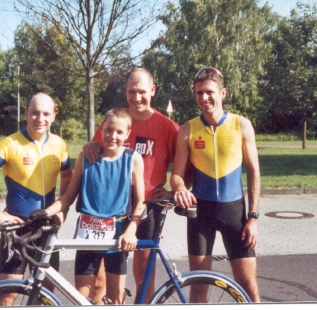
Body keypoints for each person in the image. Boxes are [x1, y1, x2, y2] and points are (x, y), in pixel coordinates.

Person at [83, 68, 180, 303]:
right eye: (132, 92)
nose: (137, 98)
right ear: (125, 91)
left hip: (146, 207)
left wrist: (173, 191)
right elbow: (96, 149)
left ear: (153, 91)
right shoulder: (115, 120)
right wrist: (89, 147)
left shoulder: (167, 127)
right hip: (111, 207)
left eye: (142, 92)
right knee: (101, 282)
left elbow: (185, 168)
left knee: (143, 277)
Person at [0, 92, 73, 306]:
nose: (40, 119)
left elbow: (67, 175)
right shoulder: (10, 144)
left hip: (47, 227)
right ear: (25, 114)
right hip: (18, 229)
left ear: (54, 116)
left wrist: (62, 209)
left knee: (45, 294)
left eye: (46, 114)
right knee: (7, 294)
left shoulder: (59, 145)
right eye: (34, 113)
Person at [170, 67, 261, 302]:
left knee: (248, 285)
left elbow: (254, 173)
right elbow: (177, 175)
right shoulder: (187, 130)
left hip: (235, 214)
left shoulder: (241, 125)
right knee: (199, 287)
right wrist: (179, 187)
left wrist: (253, 217)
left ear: (223, 93)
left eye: (209, 92)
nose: (204, 98)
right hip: (202, 215)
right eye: (199, 93)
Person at [45, 108, 145, 304]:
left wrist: (132, 230)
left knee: (116, 299)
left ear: (127, 134)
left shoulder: (132, 159)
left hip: (117, 235)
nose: (112, 136)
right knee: (81, 298)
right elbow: (68, 197)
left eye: (118, 132)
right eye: (108, 130)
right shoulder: (86, 157)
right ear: (102, 128)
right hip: (87, 233)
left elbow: (141, 201)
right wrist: (44, 213)